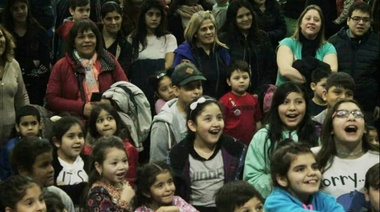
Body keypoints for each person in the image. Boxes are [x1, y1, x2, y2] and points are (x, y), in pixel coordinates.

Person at [169, 96, 246, 212]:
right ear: (192, 125)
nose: (216, 124)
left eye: (219, 118)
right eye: (208, 119)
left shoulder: (234, 148)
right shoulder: (179, 153)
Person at [243, 82, 318, 198]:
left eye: (298, 102)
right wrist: (285, 181)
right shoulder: (262, 136)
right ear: (276, 107)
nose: (292, 108)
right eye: (285, 102)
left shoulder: (317, 133)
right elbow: (252, 178)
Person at [46, 19, 128, 119]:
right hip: (74, 123)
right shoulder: (61, 66)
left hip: (108, 120)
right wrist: (81, 108)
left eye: (91, 36)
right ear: (73, 42)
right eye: (81, 37)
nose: (87, 40)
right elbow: (51, 99)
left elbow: (126, 89)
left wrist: (110, 102)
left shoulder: (109, 60)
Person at [313, 99, 380, 211]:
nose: (351, 118)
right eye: (342, 114)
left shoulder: (377, 158)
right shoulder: (312, 157)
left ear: (364, 129)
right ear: (331, 128)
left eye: (358, 114)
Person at [328, 2, 380, 127]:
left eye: (365, 20)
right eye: (356, 19)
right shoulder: (334, 42)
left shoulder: (377, 43)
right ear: (348, 20)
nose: (361, 23)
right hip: (338, 104)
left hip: (368, 106)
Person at [265, 141, 345, 211]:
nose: (312, 172)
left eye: (314, 167)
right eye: (300, 169)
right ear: (282, 180)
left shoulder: (323, 199)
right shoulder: (274, 203)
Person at [218, 0, 277, 96]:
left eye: (248, 14)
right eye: (240, 16)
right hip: (232, 96)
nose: (246, 19)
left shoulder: (262, 37)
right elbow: (222, 71)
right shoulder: (224, 40)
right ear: (233, 19)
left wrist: (259, 92)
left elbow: (270, 68)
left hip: (260, 94)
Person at [150, 63, 205, 162]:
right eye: (190, 88)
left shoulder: (207, 114)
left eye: (199, 86)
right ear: (176, 90)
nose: (197, 91)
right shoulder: (163, 124)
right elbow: (157, 165)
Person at [128, 0, 177, 110]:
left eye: (158, 15)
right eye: (150, 14)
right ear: (143, 16)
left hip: (159, 86)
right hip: (138, 86)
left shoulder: (169, 38)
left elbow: (168, 64)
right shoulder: (132, 38)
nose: (154, 18)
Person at [1, 0, 50, 106]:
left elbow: (45, 64)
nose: (20, 11)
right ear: (10, 11)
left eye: (23, 7)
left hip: (36, 88)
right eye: (16, 9)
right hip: (10, 87)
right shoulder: (4, 34)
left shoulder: (40, 33)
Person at [173, 10, 231, 99]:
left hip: (221, 105)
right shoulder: (184, 54)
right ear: (195, 33)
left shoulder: (222, 51)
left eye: (211, 28)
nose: (209, 32)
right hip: (196, 106)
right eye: (204, 29)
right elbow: (179, 84)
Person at [276, 5, 338, 86]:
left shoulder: (328, 48)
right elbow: (285, 71)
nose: (312, 22)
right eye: (308, 18)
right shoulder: (287, 43)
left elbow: (331, 73)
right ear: (300, 23)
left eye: (316, 20)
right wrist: (314, 80)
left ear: (321, 26)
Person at [10, 136, 75, 212]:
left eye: (51, 163)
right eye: (44, 165)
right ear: (23, 171)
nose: (51, 169)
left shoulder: (61, 196)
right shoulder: (9, 200)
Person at [86, 103, 138, 186]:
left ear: (117, 121)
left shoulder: (128, 148)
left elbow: (131, 180)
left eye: (110, 118)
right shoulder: (88, 150)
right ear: (94, 126)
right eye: (100, 120)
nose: (106, 123)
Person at [85, 136, 135, 211]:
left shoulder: (124, 184)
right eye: (114, 163)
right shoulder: (97, 193)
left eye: (124, 161)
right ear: (98, 167)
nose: (122, 167)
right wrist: (124, 202)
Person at [219, 60, 262, 146]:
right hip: (229, 145)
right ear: (228, 81)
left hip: (250, 144)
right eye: (237, 78)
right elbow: (219, 123)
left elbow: (258, 121)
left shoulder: (253, 99)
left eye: (245, 77)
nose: (241, 81)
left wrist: (257, 139)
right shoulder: (224, 101)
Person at [0, 24, 29, 147]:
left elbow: (22, 97)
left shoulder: (13, 64)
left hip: (10, 136)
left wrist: (27, 121)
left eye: (0, 36)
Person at [51, 116, 89, 206]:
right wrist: (84, 186)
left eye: (80, 136)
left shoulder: (90, 162)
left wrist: (64, 188)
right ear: (57, 142)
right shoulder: (50, 164)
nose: (78, 141)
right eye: (71, 137)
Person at [133, 161, 198, 211]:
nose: (168, 189)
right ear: (146, 192)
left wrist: (178, 210)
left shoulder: (178, 201)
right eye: (160, 186)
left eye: (170, 182)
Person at [0, 105, 42, 180]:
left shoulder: (46, 145)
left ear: (40, 125)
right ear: (17, 127)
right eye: (25, 124)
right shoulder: (9, 149)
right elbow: (6, 177)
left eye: (34, 123)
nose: (30, 128)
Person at [100, 1, 131, 73]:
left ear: (121, 17)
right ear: (102, 19)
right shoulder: (92, 37)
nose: (113, 22)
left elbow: (123, 71)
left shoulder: (125, 46)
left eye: (116, 18)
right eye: (109, 19)